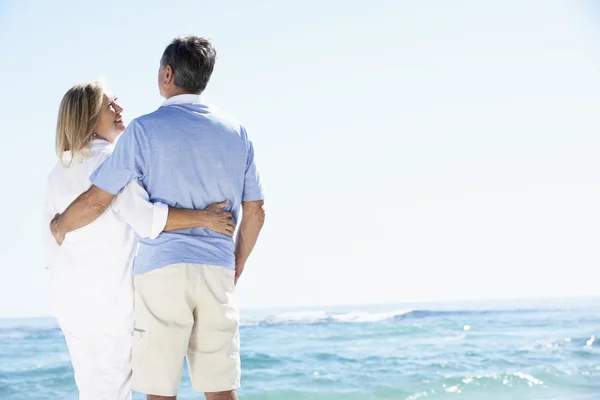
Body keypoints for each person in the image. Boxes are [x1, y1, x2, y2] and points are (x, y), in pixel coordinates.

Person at [50, 36, 266, 400]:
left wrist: (59, 225)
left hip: (160, 273)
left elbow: (98, 199)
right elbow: (256, 212)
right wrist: (235, 263)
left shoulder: (143, 129)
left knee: (160, 391)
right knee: (220, 389)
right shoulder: (236, 131)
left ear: (167, 74)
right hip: (216, 268)